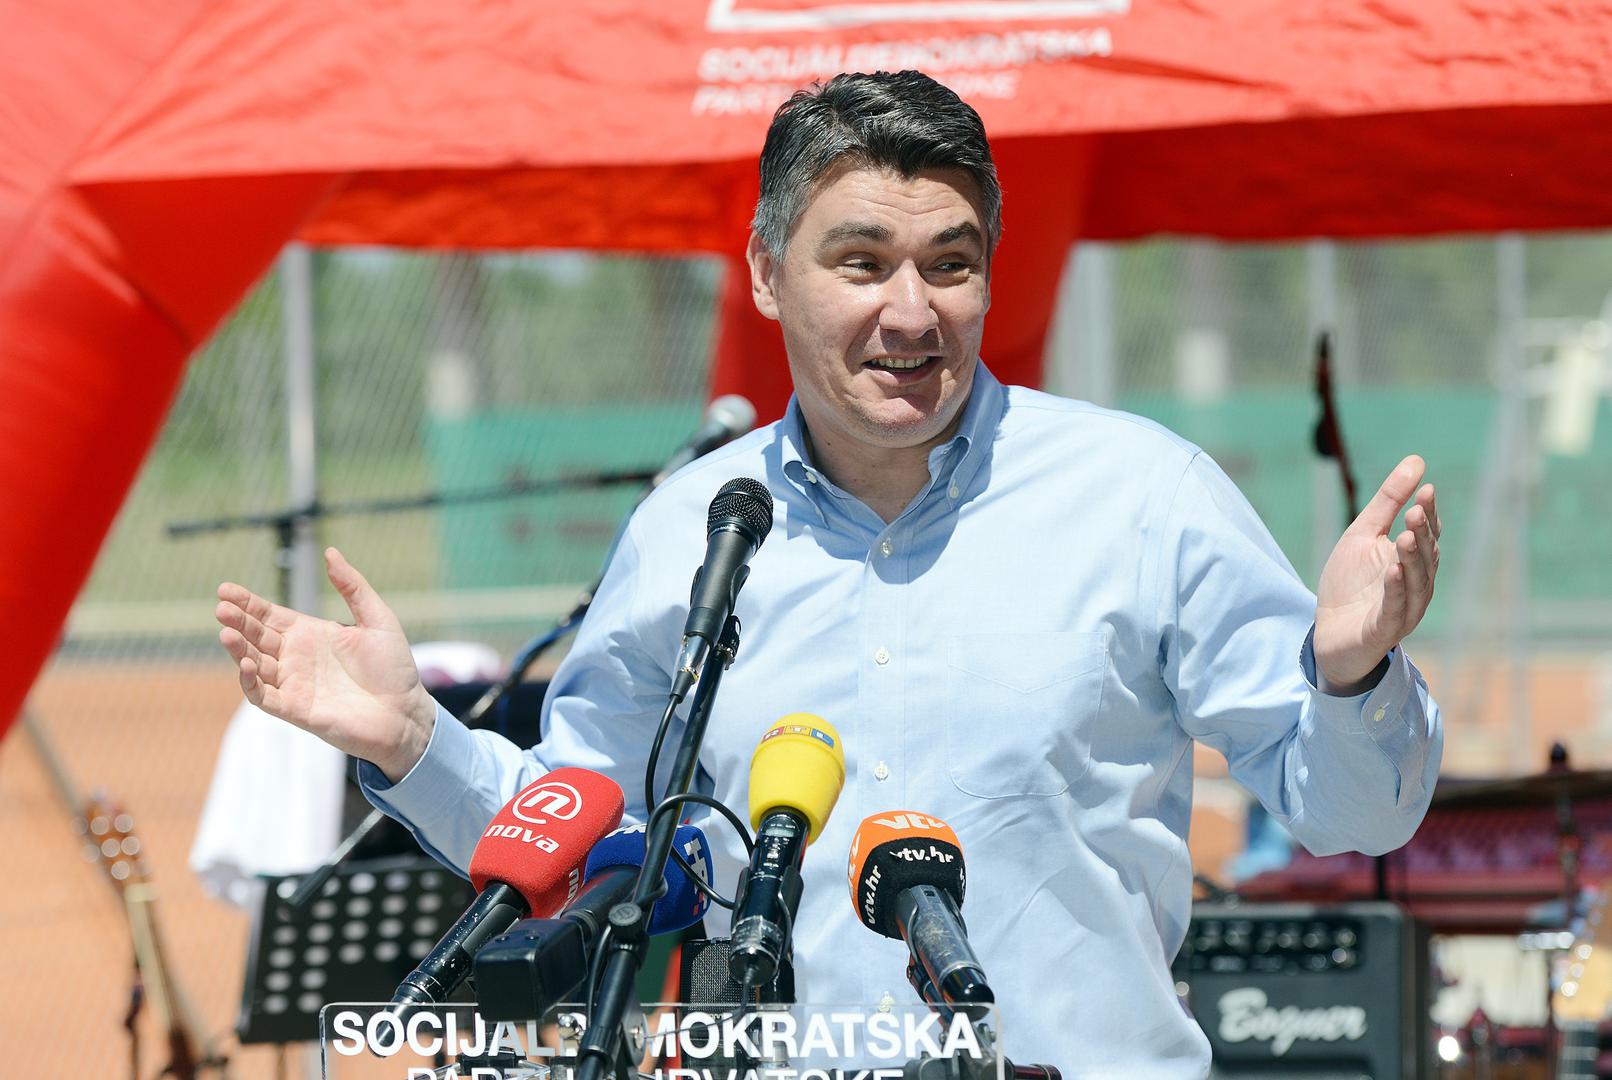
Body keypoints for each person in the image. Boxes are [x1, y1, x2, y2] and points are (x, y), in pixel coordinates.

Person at [215, 70, 1443, 1077]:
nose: (912, 312)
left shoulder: (1145, 498)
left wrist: (1352, 676)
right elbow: (586, 831)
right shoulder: (693, 530)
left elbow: (1355, 813)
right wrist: (411, 740)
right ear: (765, 273)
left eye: (950, 263)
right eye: (861, 262)